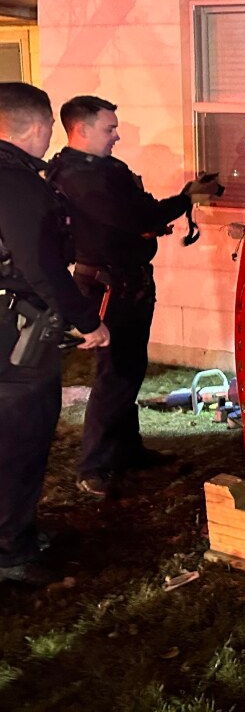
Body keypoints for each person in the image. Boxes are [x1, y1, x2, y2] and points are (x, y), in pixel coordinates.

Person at [46, 96, 222, 498]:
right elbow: (134, 217)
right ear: (82, 130)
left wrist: (169, 208)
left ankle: (127, 449)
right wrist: (186, 200)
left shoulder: (102, 169)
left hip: (129, 281)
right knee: (115, 376)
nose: (117, 134)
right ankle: (94, 465)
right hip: (109, 287)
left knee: (129, 369)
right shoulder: (78, 176)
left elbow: (137, 212)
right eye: (109, 128)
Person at [0, 84, 110, 584]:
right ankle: (13, 553)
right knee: (20, 442)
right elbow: (41, 266)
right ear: (40, 125)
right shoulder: (16, 183)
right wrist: (88, 320)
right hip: (15, 342)